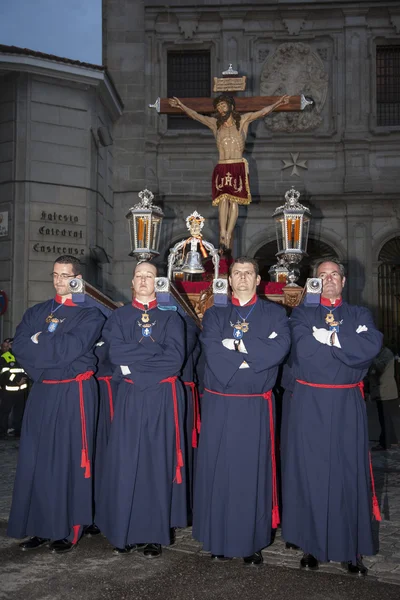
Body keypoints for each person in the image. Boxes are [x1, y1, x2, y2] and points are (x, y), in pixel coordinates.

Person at [281, 259, 383, 575]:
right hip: (310, 401)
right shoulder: (301, 314)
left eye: (334, 275)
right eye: (322, 275)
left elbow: (370, 346)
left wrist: (331, 339)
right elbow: (305, 352)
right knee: (309, 473)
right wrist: (345, 348)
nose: (328, 280)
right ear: (315, 281)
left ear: (344, 280)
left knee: (347, 474)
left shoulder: (359, 314)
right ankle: (311, 544)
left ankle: (350, 549)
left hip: (345, 403)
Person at [193, 257, 290, 565]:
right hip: (220, 403)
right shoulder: (215, 314)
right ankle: (218, 539)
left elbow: (279, 349)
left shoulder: (275, 313)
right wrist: (252, 352)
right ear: (230, 280)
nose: (244, 278)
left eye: (249, 273)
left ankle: (252, 541)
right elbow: (211, 348)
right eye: (238, 273)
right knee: (219, 471)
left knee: (252, 473)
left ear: (258, 279)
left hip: (253, 405)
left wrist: (235, 347)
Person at [7, 255, 106, 553]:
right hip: (43, 391)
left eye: (66, 276)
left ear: (78, 279)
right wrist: (44, 356)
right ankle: (39, 526)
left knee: (69, 460)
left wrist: (41, 345)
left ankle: (68, 528)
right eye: (55, 275)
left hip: (74, 392)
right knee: (36, 460)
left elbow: (71, 349)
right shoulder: (37, 311)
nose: (60, 281)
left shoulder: (91, 315)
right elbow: (21, 347)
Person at [96, 261, 188, 558]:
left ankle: (152, 535)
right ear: (132, 283)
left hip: (160, 396)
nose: (144, 281)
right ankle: (123, 531)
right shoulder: (119, 317)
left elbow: (174, 360)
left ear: (157, 282)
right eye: (139, 276)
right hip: (130, 396)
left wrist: (134, 367)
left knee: (154, 463)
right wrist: (151, 357)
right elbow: (114, 352)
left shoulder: (172, 318)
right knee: (126, 462)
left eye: (150, 276)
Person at [168, 94, 289, 248]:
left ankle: (229, 232)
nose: (221, 109)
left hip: (237, 164)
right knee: (222, 200)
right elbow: (196, 116)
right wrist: (181, 106)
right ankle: (223, 231)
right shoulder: (215, 124)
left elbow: (263, 112)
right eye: (218, 107)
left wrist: (278, 103)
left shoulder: (243, 121)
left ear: (231, 106)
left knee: (234, 200)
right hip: (222, 165)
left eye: (223, 105)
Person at [369, 346, 400, 451]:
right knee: (386, 418)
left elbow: (380, 367)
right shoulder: (384, 352)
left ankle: (385, 443)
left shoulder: (386, 353)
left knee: (385, 419)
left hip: (385, 391)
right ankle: (393, 440)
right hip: (383, 390)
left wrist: (371, 358)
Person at [0, 338, 29, 439]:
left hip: (21, 391)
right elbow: (4, 373)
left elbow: (26, 370)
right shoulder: (5, 357)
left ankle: (18, 431)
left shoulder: (22, 357)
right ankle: (2, 432)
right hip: (9, 390)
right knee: (5, 412)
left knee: (19, 412)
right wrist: (17, 380)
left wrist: (24, 379)